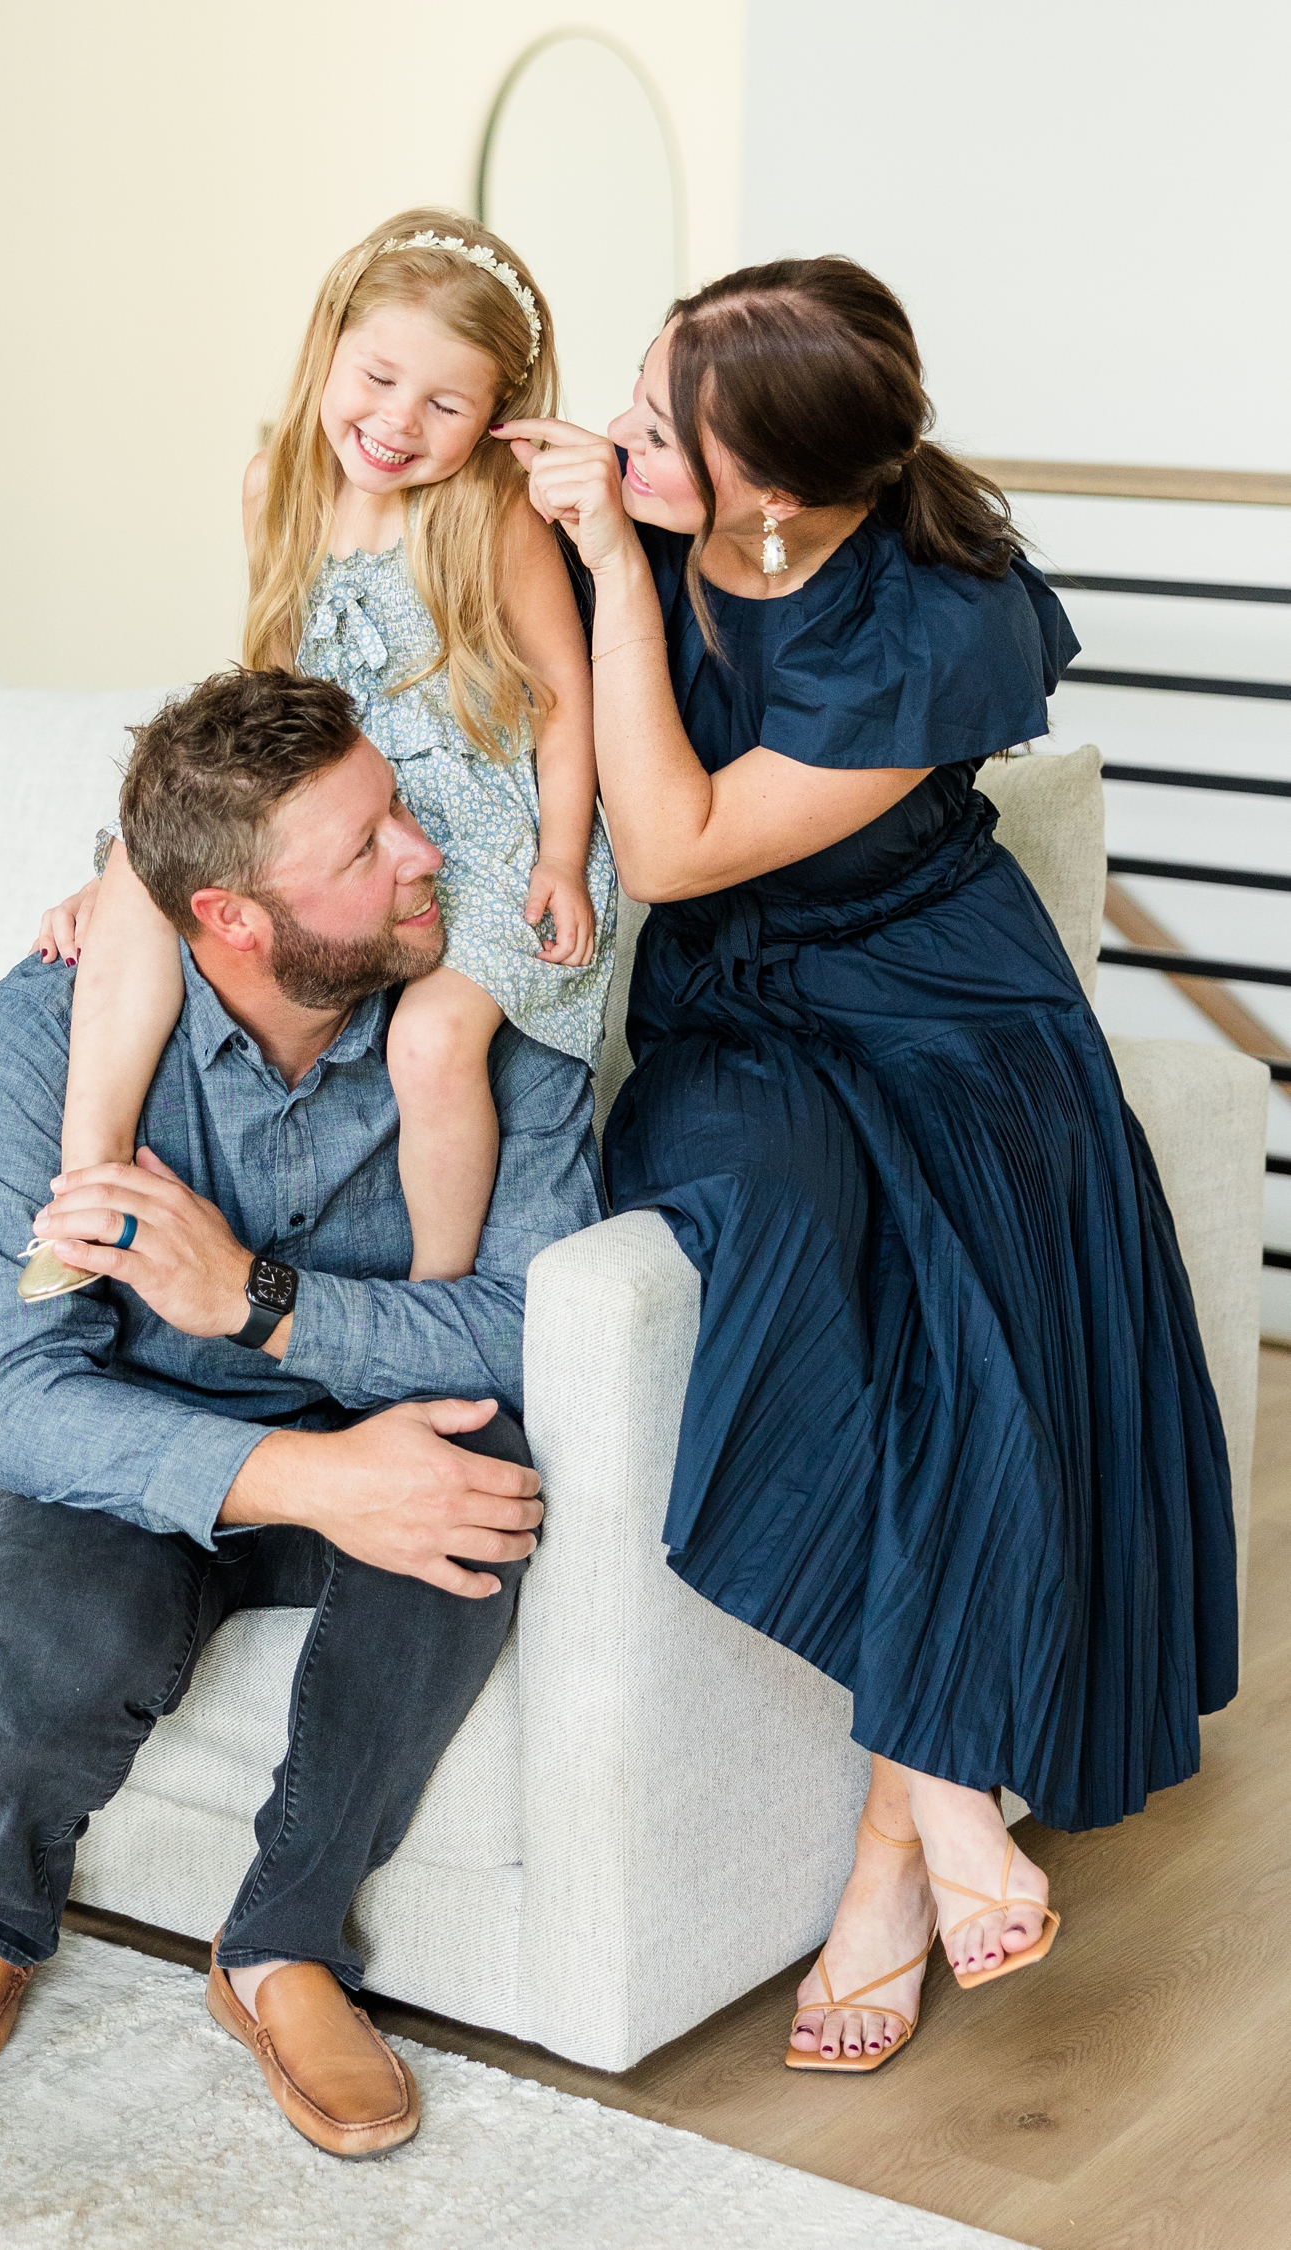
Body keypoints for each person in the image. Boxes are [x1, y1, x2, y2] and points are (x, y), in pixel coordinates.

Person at [495, 255, 1238, 2073]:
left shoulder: (934, 609)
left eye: (668, 426)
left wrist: (613, 564)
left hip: (935, 988)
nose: (625, 431)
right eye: (647, 385)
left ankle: (896, 1849)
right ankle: (941, 1801)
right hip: (737, 1026)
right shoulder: (639, 512)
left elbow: (676, 843)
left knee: (984, 1274)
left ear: (770, 484)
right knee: (780, 1225)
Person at [0, 667, 604, 2154]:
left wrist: (266, 1302)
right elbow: (21, 1400)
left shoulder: (488, 1006)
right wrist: (305, 1476)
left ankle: (283, 1940)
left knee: (480, 1491)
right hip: (148, 1439)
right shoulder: (46, 1035)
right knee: (65, 1635)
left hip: (380, 1416)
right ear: (231, 921)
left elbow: (533, 1322)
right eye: (366, 847)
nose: (423, 853)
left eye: (396, 806)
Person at [26, 207, 615, 1297]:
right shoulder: (275, 487)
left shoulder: (486, 513)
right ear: (328, 347)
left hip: (481, 836)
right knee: (130, 884)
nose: (397, 423)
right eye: (379, 377)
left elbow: (565, 698)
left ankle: (434, 1297)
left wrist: (565, 858)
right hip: (328, 813)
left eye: (445, 403)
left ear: (493, 417)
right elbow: (269, 697)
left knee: (432, 1048)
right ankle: (89, 1190)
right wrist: (135, 870)